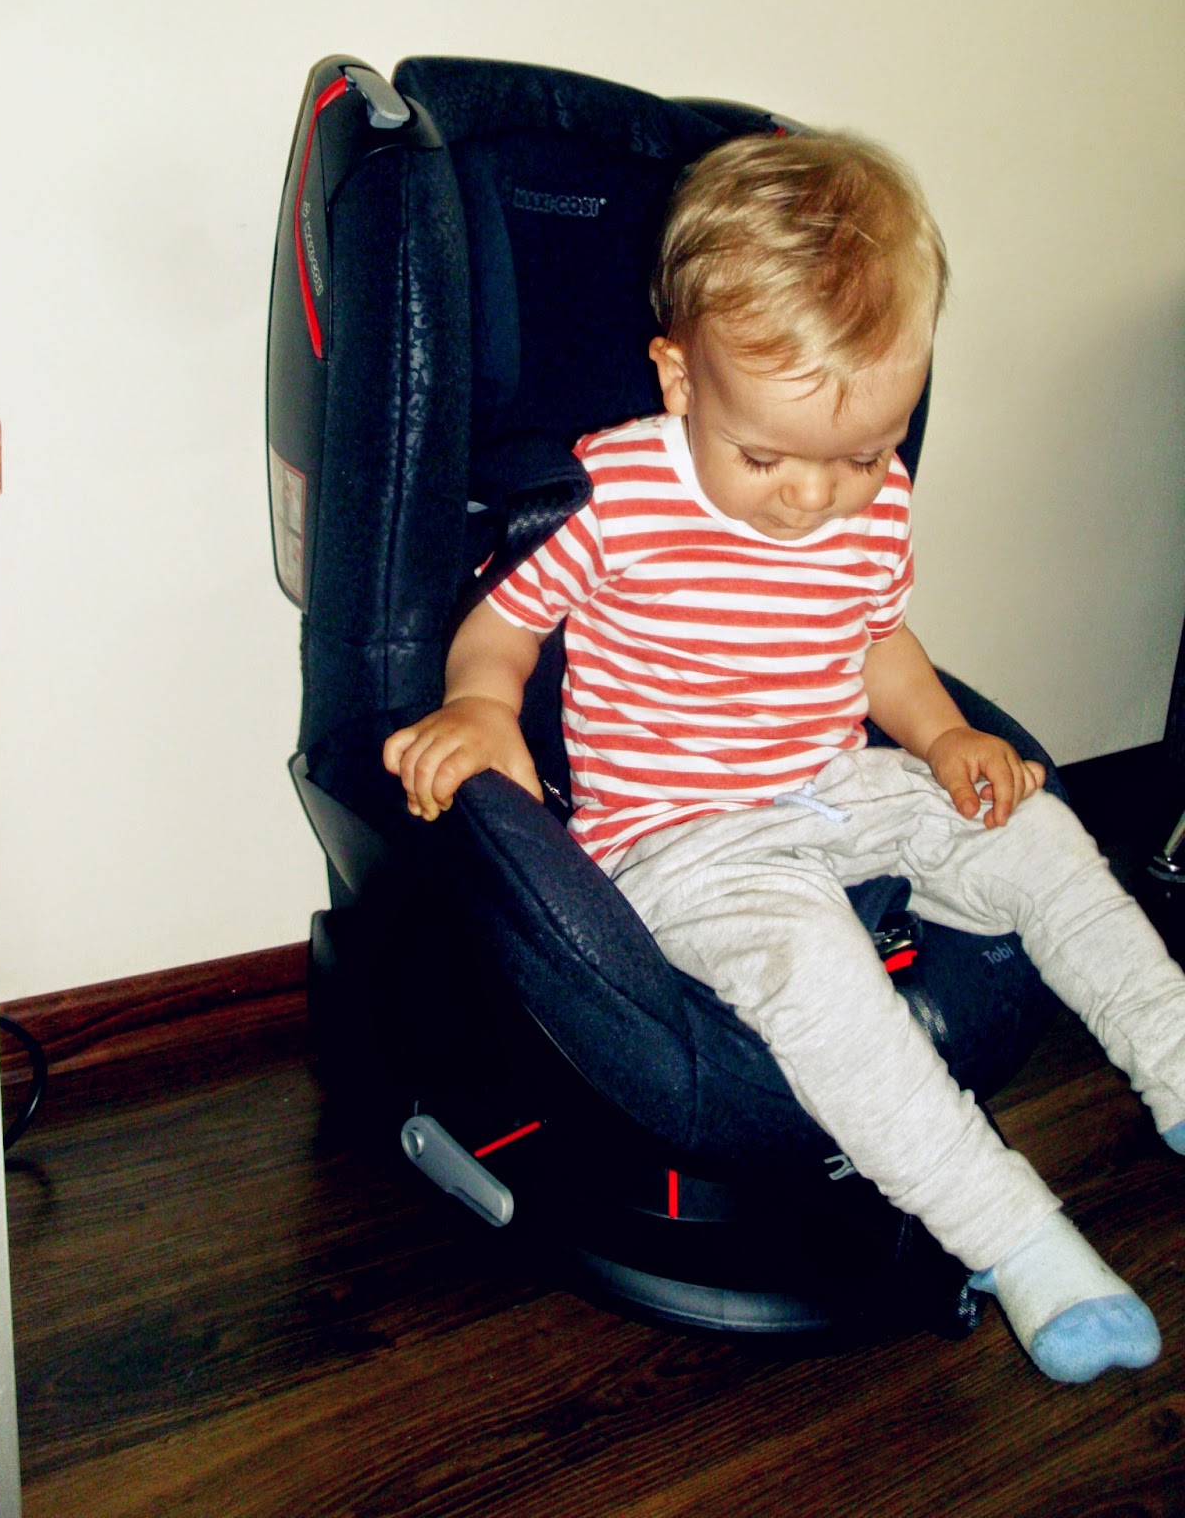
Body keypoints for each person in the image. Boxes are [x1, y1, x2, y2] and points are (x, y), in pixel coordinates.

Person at [383, 130, 1185, 1383]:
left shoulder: (877, 497)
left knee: (1038, 833)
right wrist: (482, 706)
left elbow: (879, 642)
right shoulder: (618, 492)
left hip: (835, 785)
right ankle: (1014, 1236)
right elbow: (504, 624)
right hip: (682, 840)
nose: (815, 498)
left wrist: (943, 735)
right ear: (679, 379)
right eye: (767, 458)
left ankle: (1173, 1056)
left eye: (861, 454)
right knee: (819, 971)